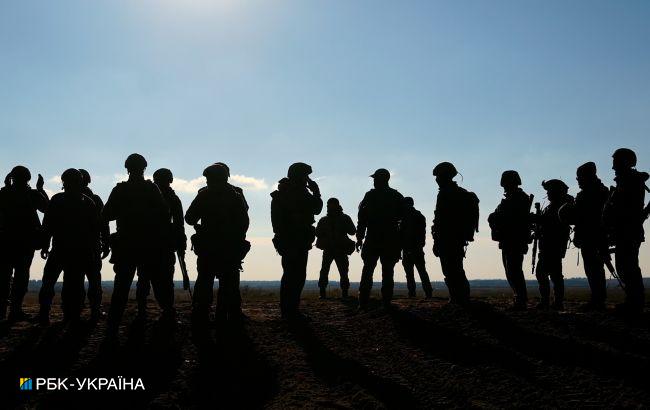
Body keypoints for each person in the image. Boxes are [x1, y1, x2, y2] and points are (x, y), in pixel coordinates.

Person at [103, 153, 173, 334]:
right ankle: (167, 315)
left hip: (127, 245)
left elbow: (106, 215)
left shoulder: (120, 190)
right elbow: (165, 215)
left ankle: (114, 323)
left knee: (122, 286)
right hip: (148, 245)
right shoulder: (152, 189)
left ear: (127, 168)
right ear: (144, 168)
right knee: (157, 283)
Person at [185, 163, 249, 326]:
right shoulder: (235, 195)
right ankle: (229, 314)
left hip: (209, 247)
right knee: (229, 282)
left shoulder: (205, 195)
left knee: (206, 280)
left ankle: (202, 312)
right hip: (228, 248)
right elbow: (244, 223)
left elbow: (190, 218)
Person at [38, 169, 100, 324]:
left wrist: (45, 245)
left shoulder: (60, 200)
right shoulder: (88, 202)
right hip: (76, 250)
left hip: (65, 249)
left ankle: (53, 313)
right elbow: (95, 229)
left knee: (54, 282)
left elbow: (47, 226)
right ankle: (70, 314)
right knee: (70, 284)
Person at [271, 162, 323, 318]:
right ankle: (291, 309)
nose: (307, 179)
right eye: (305, 176)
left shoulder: (282, 193)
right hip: (297, 239)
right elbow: (317, 208)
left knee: (289, 274)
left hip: (288, 240)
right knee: (297, 275)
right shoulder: (299, 193)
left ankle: (288, 308)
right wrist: (316, 192)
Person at [603, 148, 648, 315]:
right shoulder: (626, 180)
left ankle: (635, 303)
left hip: (629, 230)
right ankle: (633, 301)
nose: (613, 166)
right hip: (624, 230)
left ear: (624, 162)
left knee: (628, 267)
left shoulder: (631, 181)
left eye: (616, 162)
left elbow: (627, 208)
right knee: (624, 266)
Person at [136, 168, 186, 319]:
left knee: (147, 279)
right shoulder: (171, 198)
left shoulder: (146, 196)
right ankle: (164, 309)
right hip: (159, 245)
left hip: (154, 245)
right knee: (160, 280)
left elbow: (179, 224)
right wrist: (180, 243)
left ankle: (147, 310)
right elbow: (179, 225)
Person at [559, 162, 609, 311]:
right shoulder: (590, 192)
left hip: (595, 235)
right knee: (592, 269)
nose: (578, 181)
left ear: (587, 176)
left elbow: (591, 216)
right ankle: (597, 299)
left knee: (595, 269)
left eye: (579, 177)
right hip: (588, 236)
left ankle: (598, 301)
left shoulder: (597, 192)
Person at [0, 166, 49, 321]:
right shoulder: (31, 194)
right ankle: (15, 311)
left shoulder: (4, 194)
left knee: (3, 278)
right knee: (20, 278)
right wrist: (40, 189)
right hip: (24, 244)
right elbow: (47, 208)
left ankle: (3, 312)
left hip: (6, 243)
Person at [431, 162, 479, 305]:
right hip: (453, 238)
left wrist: (438, 240)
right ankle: (459, 298)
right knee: (454, 269)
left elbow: (442, 220)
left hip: (449, 238)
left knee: (452, 269)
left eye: (439, 176)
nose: (437, 179)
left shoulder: (448, 194)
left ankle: (459, 298)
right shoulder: (456, 193)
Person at [356, 169, 405, 309]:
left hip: (374, 238)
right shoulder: (396, 196)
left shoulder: (370, 196)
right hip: (389, 239)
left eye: (375, 179)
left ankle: (364, 302)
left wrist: (360, 238)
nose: (374, 181)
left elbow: (362, 220)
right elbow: (403, 218)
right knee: (386, 272)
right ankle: (385, 302)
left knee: (370, 271)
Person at [488, 170, 532, 310]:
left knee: (514, 270)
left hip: (515, 239)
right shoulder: (510, 198)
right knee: (510, 271)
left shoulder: (519, 198)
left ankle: (521, 300)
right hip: (507, 239)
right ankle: (518, 298)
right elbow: (496, 215)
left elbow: (512, 219)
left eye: (506, 183)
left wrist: (497, 218)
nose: (504, 186)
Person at [534, 179, 573, 310]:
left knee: (551, 274)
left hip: (554, 245)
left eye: (549, 191)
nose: (547, 194)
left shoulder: (560, 206)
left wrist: (538, 220)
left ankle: (554, 302)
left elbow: (552, 223)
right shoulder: (551, 207)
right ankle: (552, 302)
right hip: (547, 245)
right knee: (547, 274)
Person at [79, 169, 110, 320]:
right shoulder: (95, 199)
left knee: (75, 279)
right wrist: (106, 242)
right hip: (91, 246)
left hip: (78, 246)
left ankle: (74, 311)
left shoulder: (63, 199)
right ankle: (94, 310)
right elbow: (104, 223)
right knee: (93, 279)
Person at [315, 198, 356, 299]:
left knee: (342, 271)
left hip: (340, 249)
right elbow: (317, 233)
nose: (330, 207)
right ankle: (323, 292)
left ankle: (343, 292)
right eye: (329, 206)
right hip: (330, 249)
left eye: (330, 205)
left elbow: (352, 231)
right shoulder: (325, 220)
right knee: (326, 270)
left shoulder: (344, 218)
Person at [399, 197, 433, 299]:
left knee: (417, 273)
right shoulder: (417, 216)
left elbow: (418, 234)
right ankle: (422, 294)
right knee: (416, 273)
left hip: (414, 248)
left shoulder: (411, 217)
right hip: (412, 249)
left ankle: (421, 294)